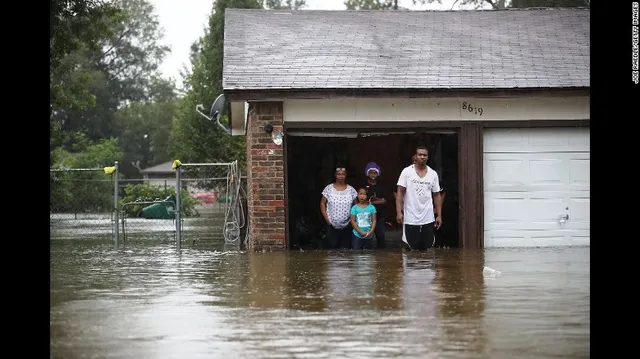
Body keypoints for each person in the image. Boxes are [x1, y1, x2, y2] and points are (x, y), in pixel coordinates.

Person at [395, 146, 443, 250]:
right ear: (415, 156)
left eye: (424, 155)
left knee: (428, 249)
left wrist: (439, 215)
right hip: (410, 218)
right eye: (420, 155)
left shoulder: (433, 174)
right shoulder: (407, 172)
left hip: (428, 218)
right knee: (410, 250)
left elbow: (436, 195)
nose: (422, 157)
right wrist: (399, 212)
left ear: (428, 157)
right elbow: (400, 192)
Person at [320, 167, 358, 249]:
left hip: (347, 225)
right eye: (339, 174)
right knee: (331, 250)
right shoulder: (328, 188)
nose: (341, 176)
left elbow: (356, 206)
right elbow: (322, 203)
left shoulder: (351, 190)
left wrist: (352, 220)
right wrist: (327, 220)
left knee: (346, 251)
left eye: (343, 174)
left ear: (346, 175)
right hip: (331, 225)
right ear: (335, 175)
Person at [363, 162, 387, 249]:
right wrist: (379, 200)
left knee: (381, 237)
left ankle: (380, 259)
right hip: (366, 216)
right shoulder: (364, 186)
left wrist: (372, 201)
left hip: (379, 216)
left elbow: (384, 201)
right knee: (367, 238)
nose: (373, 174)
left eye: (375, 173)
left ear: (378, 173)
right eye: (371, 172)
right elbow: (363, 201)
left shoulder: (381, 186)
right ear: (367, 173)